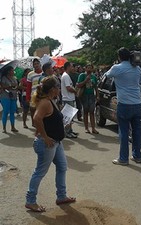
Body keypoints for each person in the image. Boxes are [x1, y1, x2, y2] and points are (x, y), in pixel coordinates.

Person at [25, 76, 76, 212]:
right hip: (47, 143)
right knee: (40, 172)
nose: (59, 89)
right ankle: (30, 201)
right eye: (58, 87)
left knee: (62, 167)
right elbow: (36, 118)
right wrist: (45, 137)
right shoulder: (45, 102)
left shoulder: (51, 101)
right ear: (53, 89)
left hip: (56, 142)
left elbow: (47, 120)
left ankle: (61, 196)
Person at [104, 47, 141, 165]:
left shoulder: (117, 68)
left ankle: (123, 158)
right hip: (137, 104)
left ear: (119, 57)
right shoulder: (137, 68)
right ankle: (137, 156)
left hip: (124, 104)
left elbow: (107, 75)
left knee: (124, 131)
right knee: (137, 131)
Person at [77, 64, 99, 134]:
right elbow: (78, 85)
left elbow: (96, 87)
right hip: (84, 95)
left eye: (91, 68)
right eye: (88, 68)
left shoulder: (94, 77)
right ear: (85, 69)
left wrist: (97, 95)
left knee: (92, 112)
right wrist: (85, 80)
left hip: (91, 95)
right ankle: (86, 128)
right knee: (85, 111)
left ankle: (93, 128)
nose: (89, 69)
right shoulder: (82, 75)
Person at [60, 62, 78, 138]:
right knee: (68, 117)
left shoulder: (66, 75)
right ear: (68, 67)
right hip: (68, 98)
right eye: (71, 66)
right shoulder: (66, 76)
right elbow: (68, 88)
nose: (73, 68)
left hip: (69, 98)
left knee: (70, 117)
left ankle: (70, 130)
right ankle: (67, 132)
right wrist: (75, 91)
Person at [0, 66, 19, 133]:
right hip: (5, 96)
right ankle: (4, 128)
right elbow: (3, 86)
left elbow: (16, 86)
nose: (13, 72)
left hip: (13, 96)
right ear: (8, 71)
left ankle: (13, 127)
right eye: (12, 70)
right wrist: (11, 86)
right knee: (5, 111)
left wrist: (16, 87)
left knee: (12, 112)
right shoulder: (3, 78)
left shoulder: (14, 78)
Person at [26, 58, 43, 127]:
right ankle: (35, 123)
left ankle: (41, 125)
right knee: (34, 111)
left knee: (42, 111)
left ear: (40, 64)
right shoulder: (30, 74)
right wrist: (27, 98)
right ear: (33, 65)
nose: (36, 65)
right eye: (34, 64)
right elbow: (28, 87)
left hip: (43, 95)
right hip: (34, 96)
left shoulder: (44, 73)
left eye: (37, 63)